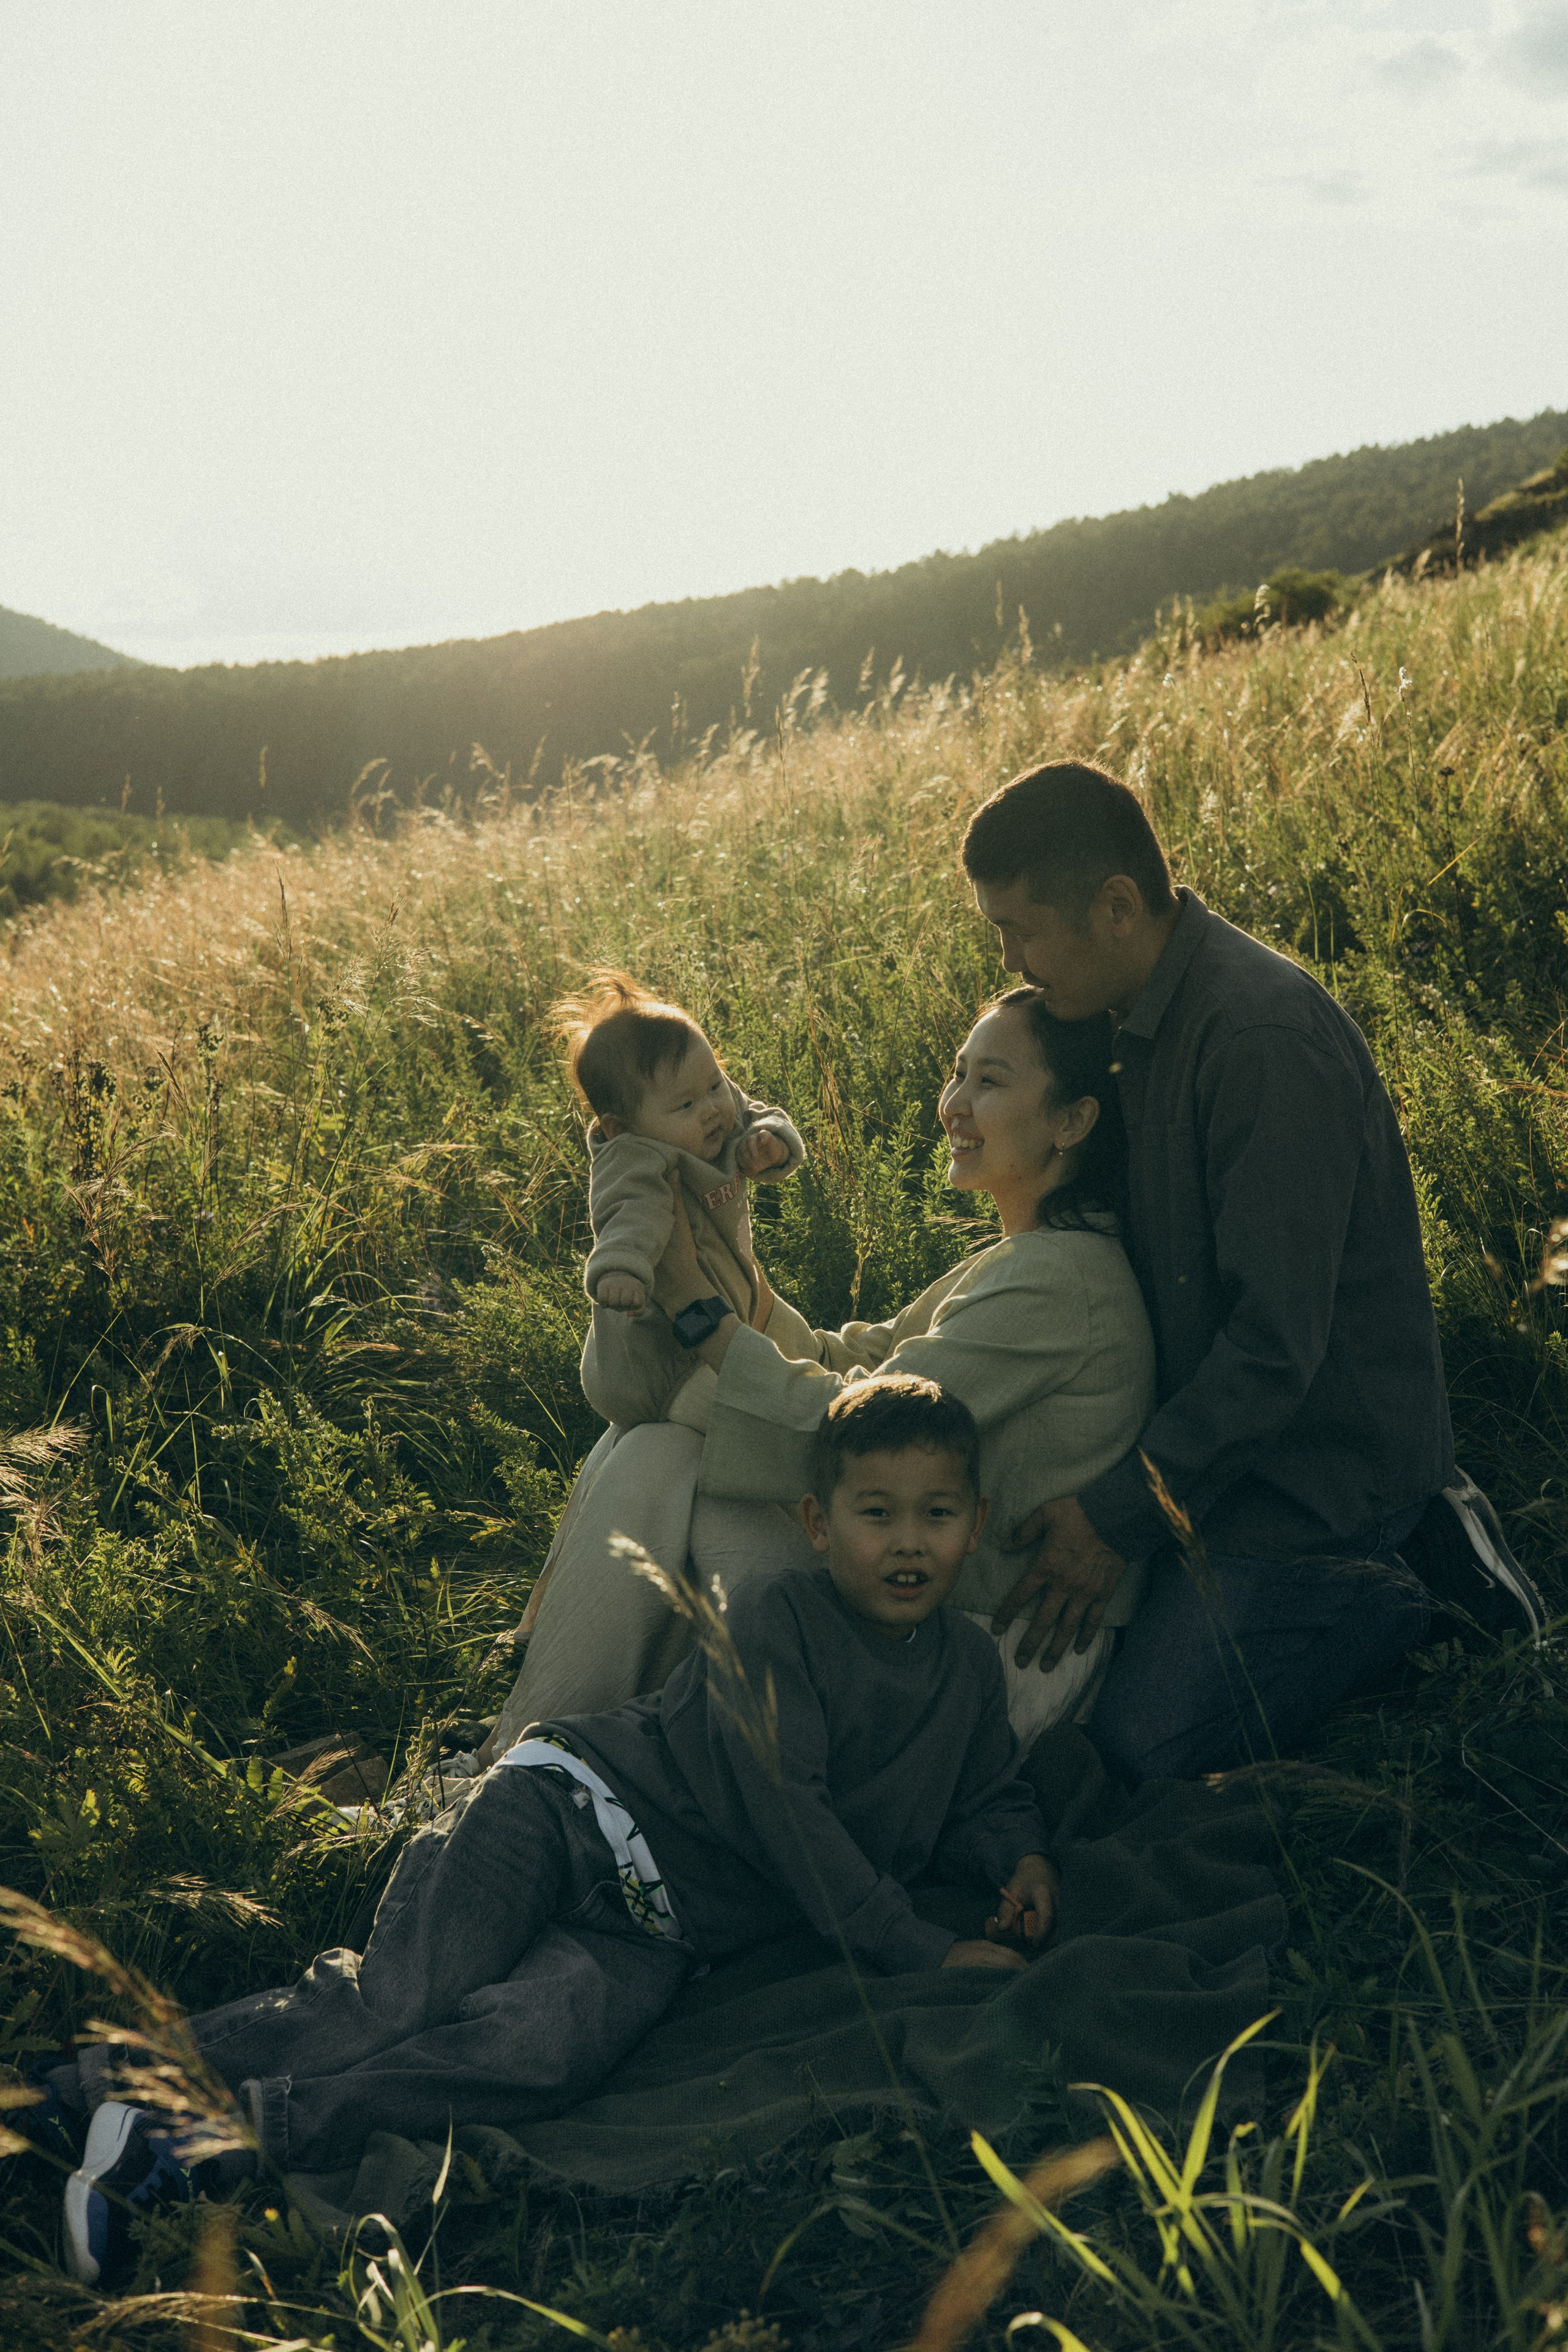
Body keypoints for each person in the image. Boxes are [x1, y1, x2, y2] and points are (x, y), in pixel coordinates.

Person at [56, 1380, 1054, 2287]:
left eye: (938, 1514)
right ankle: (85, 2090)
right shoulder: (774, 1617)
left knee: (545, 2054)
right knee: (409, 1993)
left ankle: (203, 2141)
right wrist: (922, 1947)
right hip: (568, 1811)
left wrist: (1022, 1859)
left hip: (655, 1932)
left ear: (978, 1524)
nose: (909, 1541)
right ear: (819, 1525)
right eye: (877, 1514)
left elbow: (986, 1791)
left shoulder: (965, 1669)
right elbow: (784, 1805)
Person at [956, 758, 1545, 1783]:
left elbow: (1277, 1348)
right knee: (1061, 1714)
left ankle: (1421, 1573)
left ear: (1118, 905)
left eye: (1022, 930)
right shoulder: (1119, 1016)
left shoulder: (1259, 1040)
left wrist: (1118, 1517)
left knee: (1142, 1753)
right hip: (1206, 1459)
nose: (1011, 957)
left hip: (1320, 1484)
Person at [490, 987, 1156, 1756]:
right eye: (956, 1074)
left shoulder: (1059, 1279)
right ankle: (555, 1751)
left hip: (977, 1666)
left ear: (1072, 1121)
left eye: (990, 1082)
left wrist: (697, 1306)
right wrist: (728, 1283)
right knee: (659, 1438)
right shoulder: (1030, 1260)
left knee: (662, 1448)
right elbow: (860, 1366)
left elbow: (866, 1432)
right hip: (922, 1618)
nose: (952, 1105)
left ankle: (513, 1762)